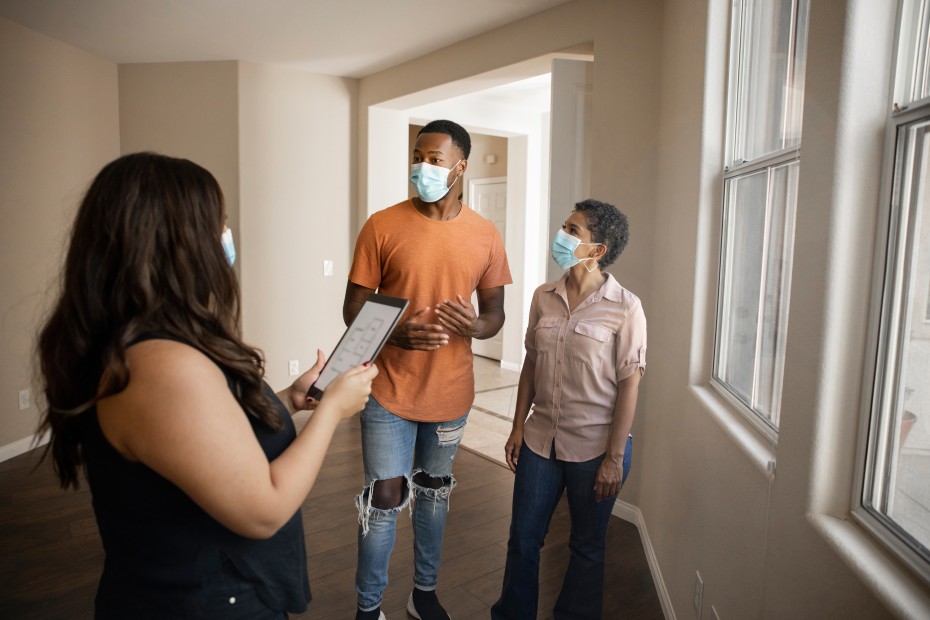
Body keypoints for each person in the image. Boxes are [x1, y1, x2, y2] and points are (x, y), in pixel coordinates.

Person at [36, 152, 378, 619]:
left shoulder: (138, 345)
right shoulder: (162, 367)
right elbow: (264, 508)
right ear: (178, 241)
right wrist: (331, 412)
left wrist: (290, 401)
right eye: (219, 224)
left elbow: (202, 435)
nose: (226, 238)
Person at [344, 119, 512, 620]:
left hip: (450, 394)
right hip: (388, 392)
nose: (422, 167)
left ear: (460, 166)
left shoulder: (485, 234)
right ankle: (368, 608)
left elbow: (495, 314)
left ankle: (423, 593)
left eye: (434, 160)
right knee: (384, 498)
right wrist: (397, 332)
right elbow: (354, 309)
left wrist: (478, 327)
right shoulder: (382, 225)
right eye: (418, 157)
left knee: (434, 495)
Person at [491, 199, 647, 620]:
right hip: (541, 439)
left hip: (597, 448)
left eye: (572, 230)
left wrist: (614, 459)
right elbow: (530, 364)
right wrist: (517, 426)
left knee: (587, 546)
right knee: (523, 539)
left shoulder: (625, 307)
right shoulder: (544, 297)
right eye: (564, 226)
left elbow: (630, 384)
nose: (561, 235)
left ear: (597, 250)